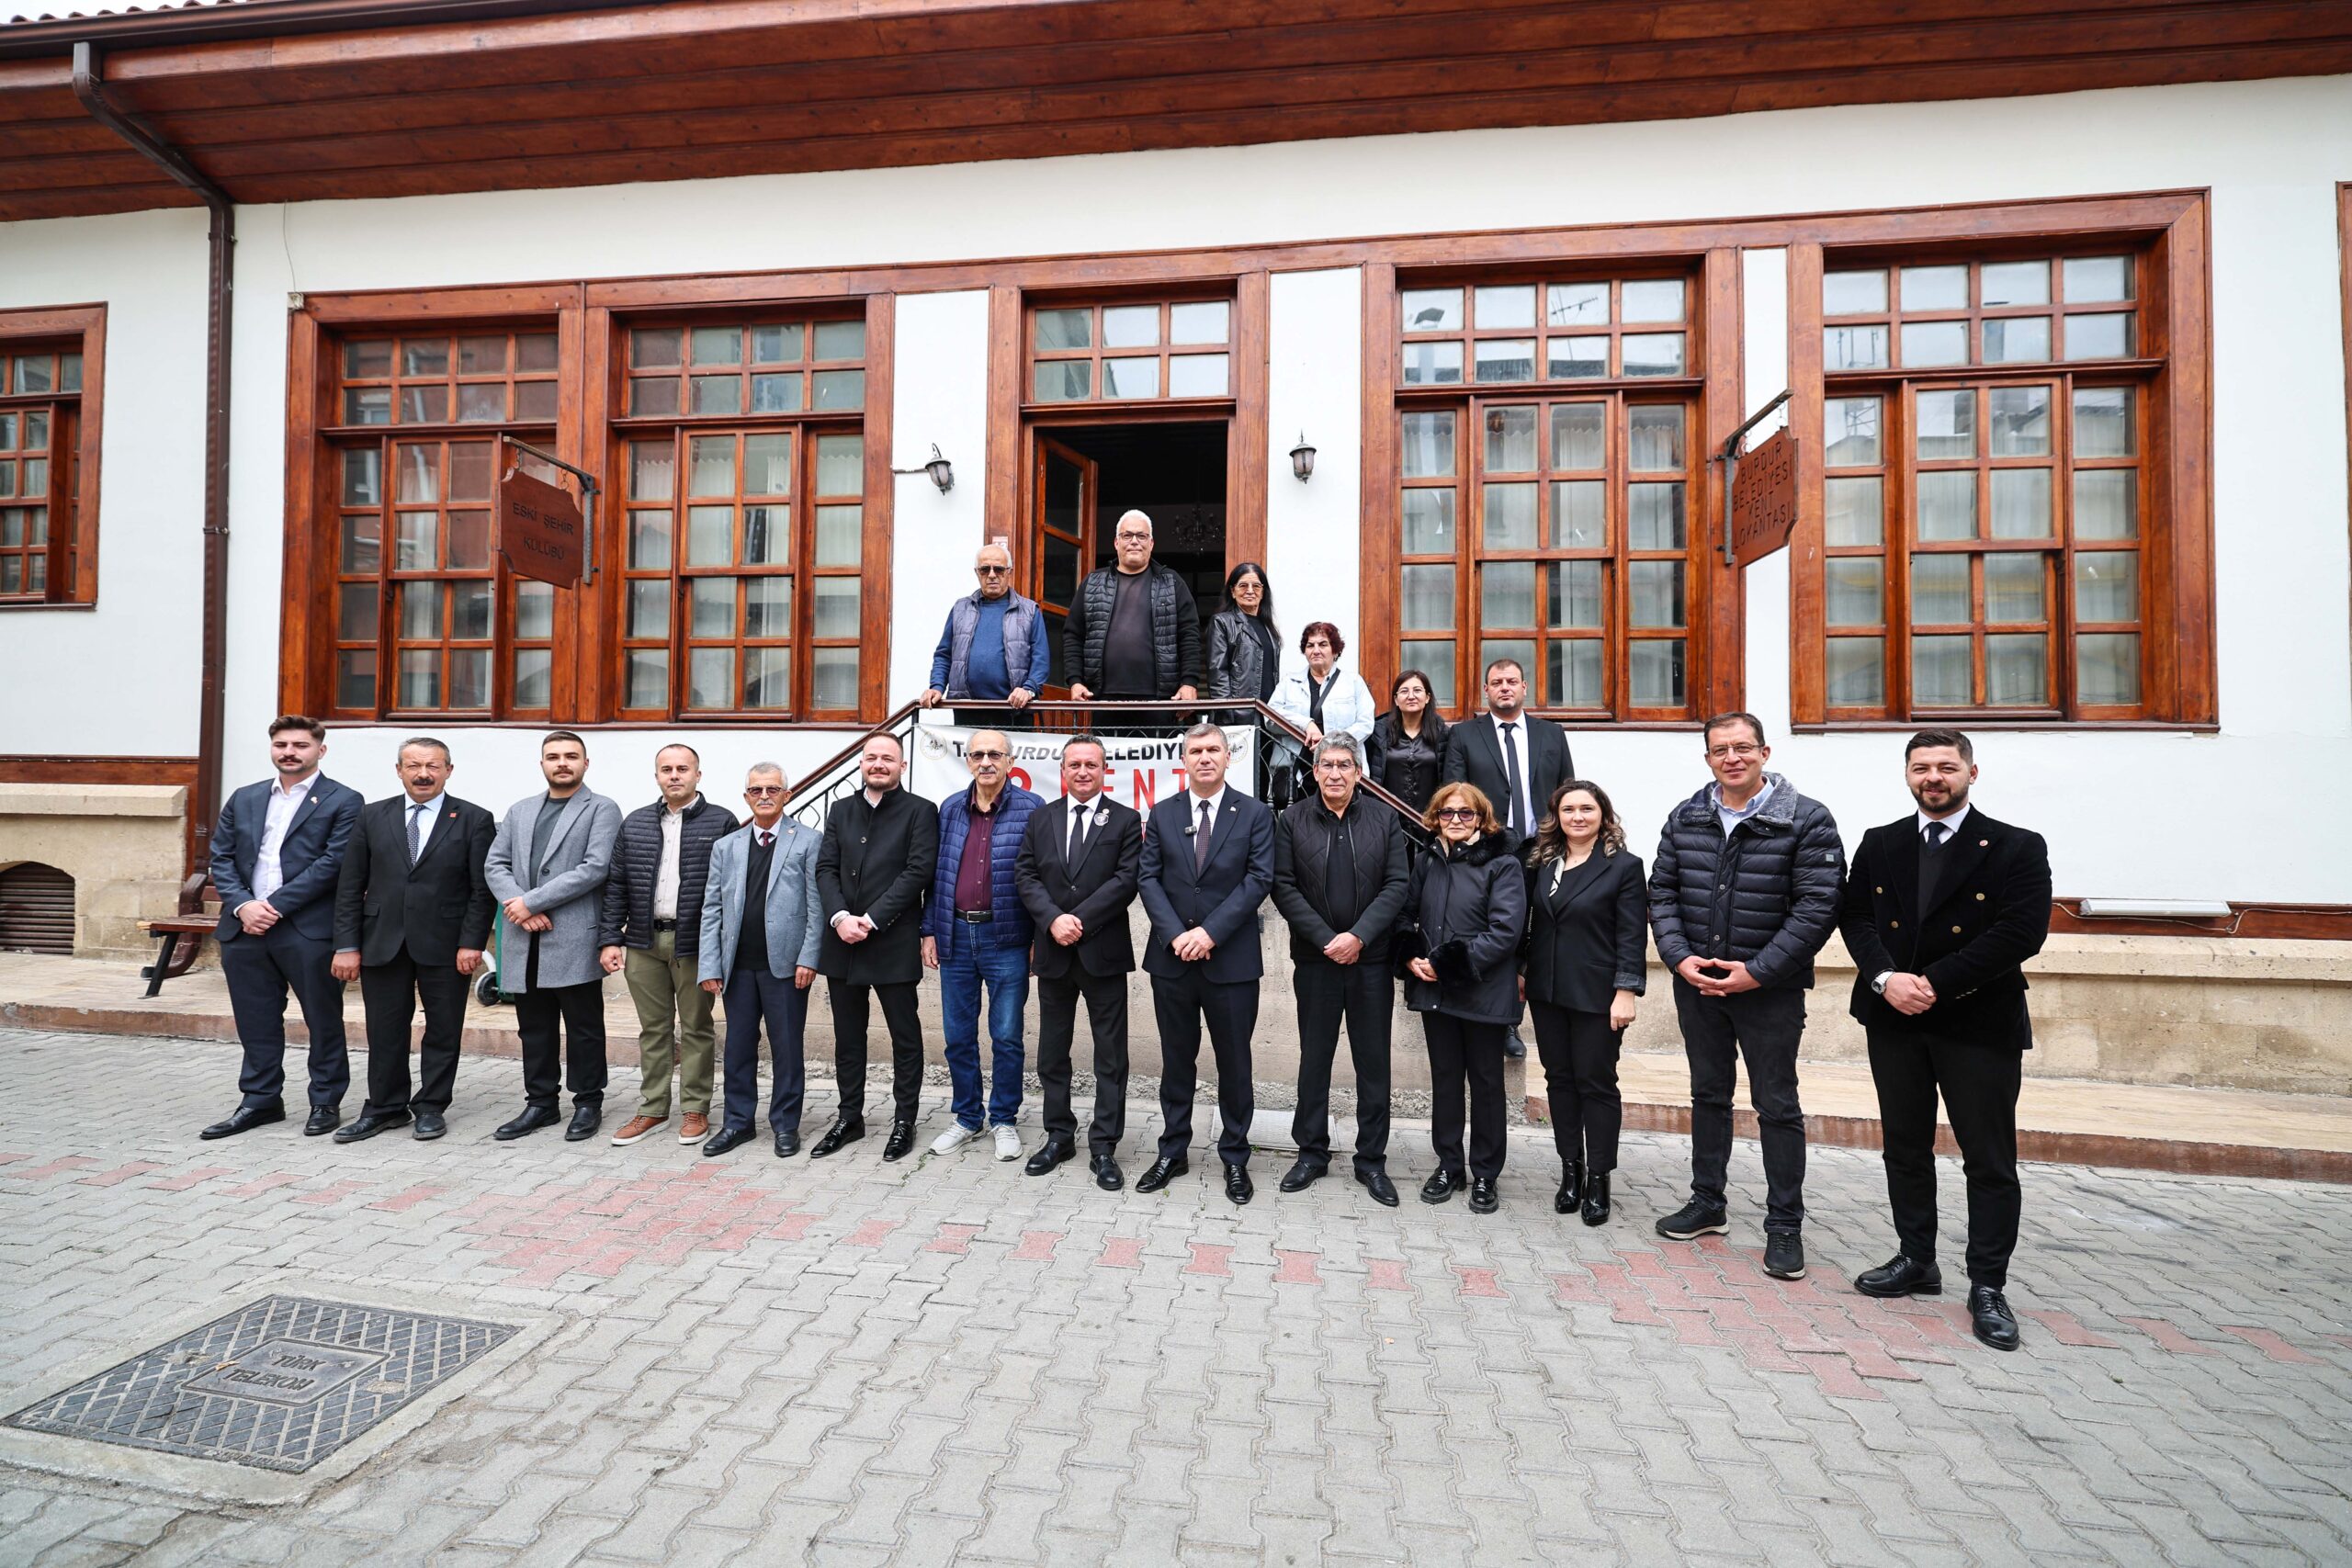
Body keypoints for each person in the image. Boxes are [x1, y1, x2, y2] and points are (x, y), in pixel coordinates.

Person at [1840, 729, 2052, 1352]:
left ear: (1971, 772)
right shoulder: (1882, 843)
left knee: (1988, 1158)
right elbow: (1853, 915)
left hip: (1976, 1022)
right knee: (1904, 1147)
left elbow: (2021, 933)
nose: (1934, 776)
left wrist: (1932, 983)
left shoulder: (2016, 846)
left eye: (1946, 766)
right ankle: (1916, 1258)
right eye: (1922, 767)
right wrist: (1884, 979)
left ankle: (1987, 1284)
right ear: (1907, 774)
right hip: (1894, 1019)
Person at [1647, 711, 1844, 1280]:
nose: (1731, 758)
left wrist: (1757, 972)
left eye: (1742, 748)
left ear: (1764, 752)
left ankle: (1784, 1224)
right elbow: (1662, 891)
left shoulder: (1806, 820)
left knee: (1777, 1106)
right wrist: (1680, 959)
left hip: (1769, 991)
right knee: (1708, 1096)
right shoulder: (1687, 816)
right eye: (1719, 750)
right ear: (1707, 758)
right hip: (1699, 983)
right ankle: (1708, 1202)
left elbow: (1817, 907)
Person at [199, 715, 363, 1141]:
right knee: (255, 1020)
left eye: (301, 745)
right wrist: (243, 906)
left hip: (306, 929)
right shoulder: (245, 797)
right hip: (244, 929)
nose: (290, 752)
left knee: (323, 1019)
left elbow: (333, 864)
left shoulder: (344, 800)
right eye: (282, 745)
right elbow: (222, 856)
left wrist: (272, 906)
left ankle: (326, 1100)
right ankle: (260, 1100)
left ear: (320, 751)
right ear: (272, 749)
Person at [328, 737, 495, 1144]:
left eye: (433, 766)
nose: (423, 774)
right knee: (384, 1029)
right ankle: (385, 1108)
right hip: (382, 942)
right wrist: (346, 944)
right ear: (399, 770)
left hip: (446, 944)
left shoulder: (474, 818)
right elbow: (351, 886)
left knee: (443, 1029)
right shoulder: (371, 816)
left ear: (448, 771)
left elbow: (482, 889)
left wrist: (473, 942)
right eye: (414, 765)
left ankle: (431, 1107)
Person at [1269, 734, 1409, 1207]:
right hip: (1316, 960)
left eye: (1344, 765)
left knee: (1373, 1064)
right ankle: (1311, 1152)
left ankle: (1371, 1160)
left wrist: (1358, 937)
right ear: (1314, 771)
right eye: (1326, 765)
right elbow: (1283, 887)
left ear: (1358, 772)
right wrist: (1326, 939)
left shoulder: (1385, 819)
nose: (1334, 773)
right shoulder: (1292, 819)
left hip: (1369, 961)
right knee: (1315, 1059)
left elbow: (1397, 885)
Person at [1136, 721, 1274, 1204]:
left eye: (1213, 749)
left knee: (1235, 1063)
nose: (1205, 758)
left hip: (1231, 962)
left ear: (1228, 756)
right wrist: (1177, 934)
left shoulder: (1255, 813)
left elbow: (1258, 880)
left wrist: (1209, 932)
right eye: (1196, 750)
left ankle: (1235, 1157)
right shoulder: (1162, 812)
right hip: (1172, 960)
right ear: (1184, 758)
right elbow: (1147, 878)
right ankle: (1173, 1151)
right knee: (1177, 1060)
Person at [1014, 735, 1143, 1187]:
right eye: (1075, 765)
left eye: (1092, 764)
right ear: (1063, 770)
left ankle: (1105, 1146)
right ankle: (1058, 1135)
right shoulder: (1040, 818)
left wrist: (1078, 921)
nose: (1083, 771)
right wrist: (1053, 920)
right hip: (1053, 953)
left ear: (1105, 770)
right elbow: (1025, 874)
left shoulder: (1126, 820)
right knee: (1053, 1052)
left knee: (1110, 1055)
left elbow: (1127, 880)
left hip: (1102, 953)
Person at [484, 731, 623, 1143]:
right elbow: (496, 863)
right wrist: (519, 905)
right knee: (534, 1027)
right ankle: (541, 1103)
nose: (562, 763)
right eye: (553, 756)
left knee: (584, 1026)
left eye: (571, 756)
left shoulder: (602, 809)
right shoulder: (520, 809)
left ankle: (588, 1103)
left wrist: (531, 901)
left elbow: (595, 867)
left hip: (573, 935)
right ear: (542, 763)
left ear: (585, 763)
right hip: (523, 937)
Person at [598, 744, 738, 1148]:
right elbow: (617, 884)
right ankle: (653, 1108)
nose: (674, 775)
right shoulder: (636, 823)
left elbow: (730, 889)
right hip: (642, 941)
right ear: (656, 775)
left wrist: (722, 949)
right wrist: (611, 938)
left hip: (694, 943)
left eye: (682, 769)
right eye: (666, 769)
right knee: (653, 1029)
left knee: (696, 1027)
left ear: (698, 774)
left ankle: (696, 1109)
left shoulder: (721, 821)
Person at [1521, 779, 1645, 1225]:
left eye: (1587, 809)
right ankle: (1569, 1171)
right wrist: (1522, 973)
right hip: (1548, 992)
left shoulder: (1624, 867)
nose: (1577, 817)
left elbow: (1631, 934)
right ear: (1557, 817)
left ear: (1603, 816)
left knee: (1596, 1083)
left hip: (1598, 995)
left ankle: (1599, 1179)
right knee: (1559, 1081)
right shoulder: (1542, 862)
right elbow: (1531, 924)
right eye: (1568, 809)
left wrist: (1626, 991)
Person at [813, 731, 938, 1161]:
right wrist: (840, 918)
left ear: (901, 766)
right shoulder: (841, 810)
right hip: (842, 943)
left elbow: (918, 871)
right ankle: (850, 1117)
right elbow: (825, 868)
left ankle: (905, 1120)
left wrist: (870, 918)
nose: (878, 764)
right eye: (871, 758)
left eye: (888, 758)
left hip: (892, 941)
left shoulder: (921, 811)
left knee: (905, 1036)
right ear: (861, 764)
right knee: (849, 1037)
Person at [1401, 783, 1526, 1214]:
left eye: (1466, 814)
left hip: (1482, 992)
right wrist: (1411, 956)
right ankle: (1449, 1165)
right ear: (1435, 817)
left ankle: (1486, 1174)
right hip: (1437, 991)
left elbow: (1505, 932)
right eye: (1447, 813)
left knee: (1487, 1085)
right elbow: (1408, 914)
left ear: (1482, 818)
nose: (1456, 820)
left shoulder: (1503, 864)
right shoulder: (1427, 859)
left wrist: (1444, 964)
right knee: (1446, 1080)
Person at [921, 729, 1043, 1161]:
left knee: (1006, 1036)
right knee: (957, 1036)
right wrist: (929, 930)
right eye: (978, 754)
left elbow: (1041, 879)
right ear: (967, 760)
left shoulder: (1032, 809)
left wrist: (1037, 939)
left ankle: (1004, 1119)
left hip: (1007, 938)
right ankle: (967, 1118)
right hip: (955, 935)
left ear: (1010, 761)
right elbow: (937, 875)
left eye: (995, 754)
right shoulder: (951, 808)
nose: (986, 761)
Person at [1442, 656, 1572, 1058]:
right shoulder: (1465, 734)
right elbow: (1454, 792)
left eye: (1511, 681)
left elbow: (1568, 788)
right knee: (1500, 932)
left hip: (1542, 847)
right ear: (1486, 690)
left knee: (1536, 931)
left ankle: (1522, 1014)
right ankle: (1506, 1024)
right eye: (1496, 682)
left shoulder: (1551, 734)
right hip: (1490, 849)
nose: (1504, 687)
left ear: (1524, 687)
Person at [698, 764, 825, 1159]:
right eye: (756, 790)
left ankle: (786, 1125)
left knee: (786, 1047)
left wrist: (809, 956)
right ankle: (737, 1122)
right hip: (737, 965)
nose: (765, 796)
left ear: (787, 795)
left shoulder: (808, 841)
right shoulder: (727, 846)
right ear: (746, 796)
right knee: (737, 1047)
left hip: (785, 966)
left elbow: (816, 905)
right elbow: (712, 908)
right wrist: (710, 965)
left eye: (773, 789)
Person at [1061, 510, 1203, 705]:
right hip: (1101, 697)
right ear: (1116, 543)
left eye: (1142, 536)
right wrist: (1075, 681)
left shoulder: (1172, 583)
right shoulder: (1092, 583)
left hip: (1160, 699)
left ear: (1151, 544)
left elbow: (1189, 635)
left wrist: (1189, 683)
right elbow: (1073, 635)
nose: (1134, 541)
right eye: (1127, 535)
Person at [921, 543, 1051, 728]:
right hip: (967, 709)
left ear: (1009, 572)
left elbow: (1041, 658)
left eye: (998, 569)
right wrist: (937, 687)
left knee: (1010, 758)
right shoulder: (960, 608)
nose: (991, 575)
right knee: (970, 758)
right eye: (985, 569)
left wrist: (1029, 689)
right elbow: (944, 654)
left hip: (1014, 710)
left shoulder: (1029, 610)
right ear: (977, 572)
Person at [1269, 622, 1376, 808]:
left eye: (1323, 644)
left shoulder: (1353, 682)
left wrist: (1333, 742)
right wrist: (1306, 723)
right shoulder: (1289, 682)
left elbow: (1366, 724)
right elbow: (1270, 717)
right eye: (1310, 645)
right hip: (1298, 773)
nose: (1316, 650)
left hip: (1341, 769)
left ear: (1335, 650)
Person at [1367, 669, 1451, 817]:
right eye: (1404, 691)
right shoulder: (1378, 732)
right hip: (1387, 819)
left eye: (1417, 690)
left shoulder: (1443, 733)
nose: (1411, 696)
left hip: (1429, 821)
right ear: (1396, 700)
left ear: (1427, 697)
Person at [1202, 560, 1282, 708]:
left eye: (1256, 586)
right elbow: (1217, 673)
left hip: (1269, 713)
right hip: (1239, 715)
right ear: (1233, 591)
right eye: (1243, 585)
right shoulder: (1222, 622)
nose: (1250, 591)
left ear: (1263, 592)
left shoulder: (1269, 628)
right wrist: (1227, 712)